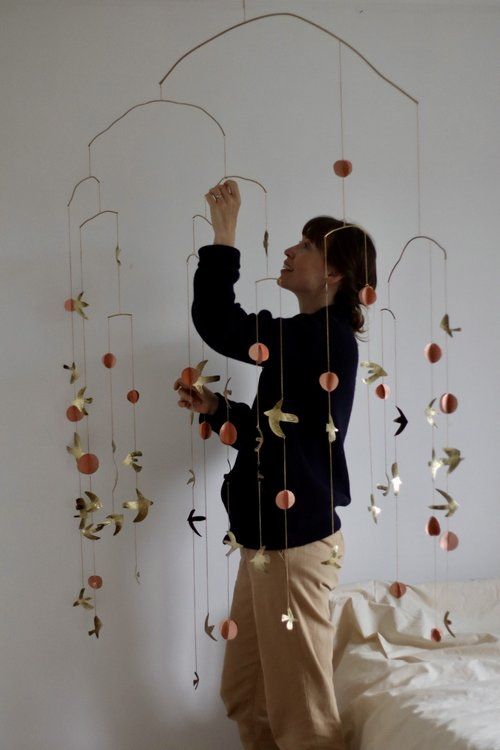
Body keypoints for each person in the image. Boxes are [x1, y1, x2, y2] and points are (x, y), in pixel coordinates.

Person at [174, 179, 377, 750]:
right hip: (270, 544)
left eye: (305, 246)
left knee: (303, 721)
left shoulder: (321, 338)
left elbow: (220, 321)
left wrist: (225, 234)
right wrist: (217, 408)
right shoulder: (308, 341)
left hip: (294, 546)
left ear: (334, 273)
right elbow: (280, 437)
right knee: (248, 698)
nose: (289, 252)